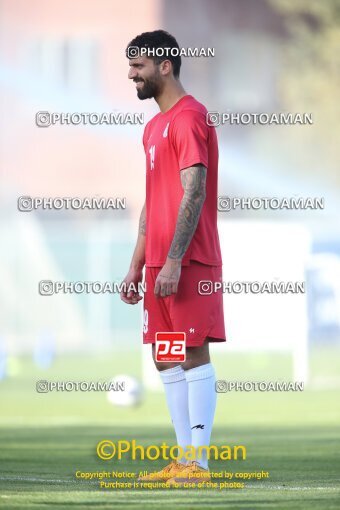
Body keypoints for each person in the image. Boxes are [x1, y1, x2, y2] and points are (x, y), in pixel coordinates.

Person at [121, 30, 226, 486]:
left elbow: (194, 189)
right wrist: (135, 265)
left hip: (187, 263)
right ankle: (183, 460)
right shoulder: (152, 127)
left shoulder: (189, 117)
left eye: (139, 66)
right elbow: (152, 202)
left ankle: (199, 464)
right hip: (158, 266)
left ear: (165, 66)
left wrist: (175, 260)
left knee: (191, 354)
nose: (132, 75)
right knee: (166, 357)